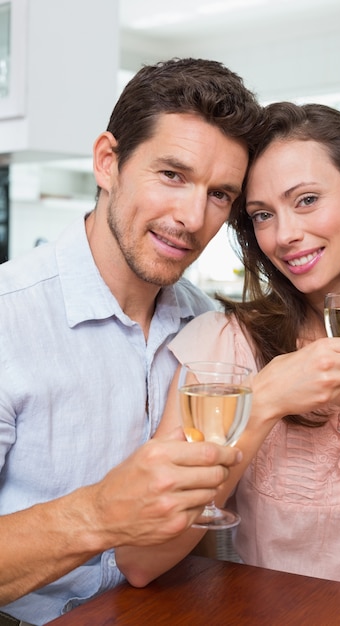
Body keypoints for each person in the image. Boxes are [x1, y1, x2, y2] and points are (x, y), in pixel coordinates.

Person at [0, 57, 264, 624]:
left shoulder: (209, 327)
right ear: (107, 162)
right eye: (172, 175)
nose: (192, 217)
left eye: (220, 194)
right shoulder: (8, 319)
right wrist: (97, 514)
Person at [132, 101, 340, 594]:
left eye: (306, 200)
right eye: (263, 214)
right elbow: (142, 560)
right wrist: (261, 402)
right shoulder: (225, 344)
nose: (284, 235)